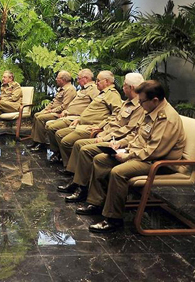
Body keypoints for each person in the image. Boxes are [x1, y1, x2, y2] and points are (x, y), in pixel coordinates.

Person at [76, 80, 186, 233]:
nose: (139, 104)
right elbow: (136, 135)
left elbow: (154, 151)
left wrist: (127, 156)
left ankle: (114, 219)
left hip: (159, 162)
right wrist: (120, 145)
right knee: (100, 160)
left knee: (118, 172)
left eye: (142, 101)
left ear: (154, 100)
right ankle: (96, 203)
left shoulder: (166, 118)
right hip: (141, 155)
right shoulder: (150, 110)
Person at [59, 73, 145, 202]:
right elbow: (114, 120)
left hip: (118, 142)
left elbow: (128, 130)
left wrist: (106, 138)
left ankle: (82, 188)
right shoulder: (127, 102)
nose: (122, 87)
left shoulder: (140, 106)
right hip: (108, 135)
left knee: (85, 149)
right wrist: (102, 132)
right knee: (79, 145)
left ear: (131, 87)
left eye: (125, 85)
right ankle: (78, 183)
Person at [53, 70, 122, 168]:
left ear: (106, 81)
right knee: (60, 134)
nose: (96, 82)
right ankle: (71, 165)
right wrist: (80, 119)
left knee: (66, 141)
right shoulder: (102, 93)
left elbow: (116, 114)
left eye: (98, 80)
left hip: (91, 127)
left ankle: (73, 167)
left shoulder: (112, 94)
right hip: (81, 123)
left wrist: (100, 126)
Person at [45, 69, 99, 158]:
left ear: (85, 78)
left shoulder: (94, 89)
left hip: (76, 117)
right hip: (68, 115)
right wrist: (66, 111)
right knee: (49, 126)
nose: (77, 81)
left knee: (52, 128)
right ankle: (58, 152)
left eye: (79, 78)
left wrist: (81, 117)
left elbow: (94, 106)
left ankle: (60, 154)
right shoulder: (82, 90)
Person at [29, 71, 76, 151]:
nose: (56, 79)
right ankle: (35, 141)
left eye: (57, 78)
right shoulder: (62, 89)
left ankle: (41, 143)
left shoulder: (70, 89)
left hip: (60, 113)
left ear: (63, 79)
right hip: (53, 111)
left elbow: (64, 106)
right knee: (37, 114)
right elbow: (53, 102)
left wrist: (51, 111)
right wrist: (45, 110)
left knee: (40, 118)